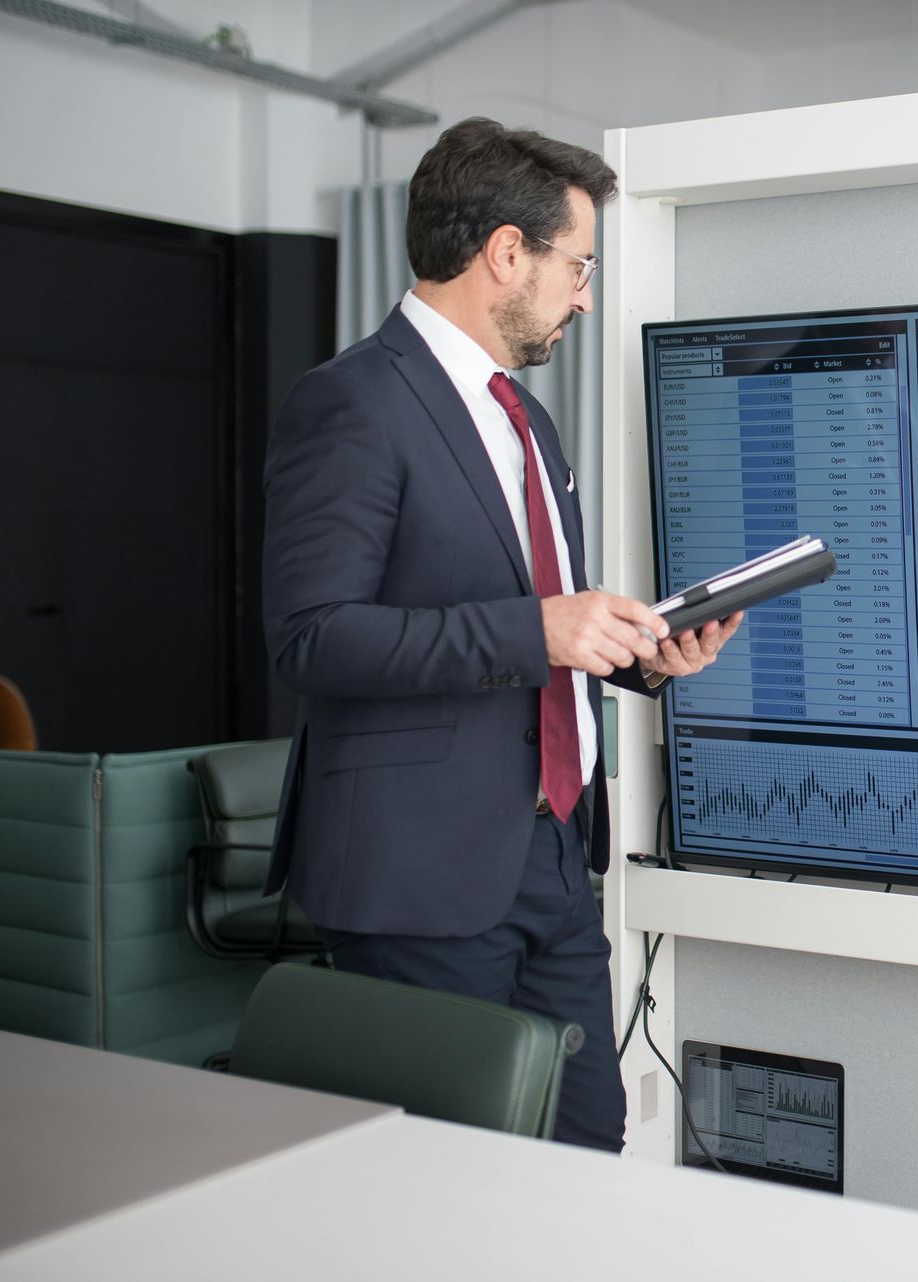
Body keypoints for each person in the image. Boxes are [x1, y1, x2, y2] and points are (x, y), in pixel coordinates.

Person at [261, 117, 739, 1152]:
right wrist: (538, 630)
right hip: (419, 873)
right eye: (578, 266)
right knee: (460, 1188)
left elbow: (538, 633)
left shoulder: (525, 418)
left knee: (589, 1153)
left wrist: (641, 656)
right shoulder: (351, 403)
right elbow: (313, 637)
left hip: (552, 855)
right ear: (507, 252)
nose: (585, 296)